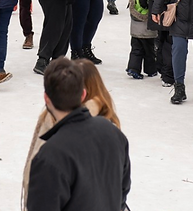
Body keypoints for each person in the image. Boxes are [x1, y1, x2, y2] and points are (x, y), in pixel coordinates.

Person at [25, 58, 131, 211]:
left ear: (46, 99)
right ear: (83, 95)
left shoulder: (50, 155)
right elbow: (123, 189)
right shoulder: (112, 132)